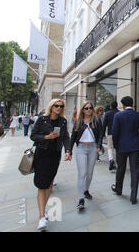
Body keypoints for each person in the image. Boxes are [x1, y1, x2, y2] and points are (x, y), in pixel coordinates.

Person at [30, 99, 71, 231]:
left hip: (55, 155)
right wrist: (46, 137)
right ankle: (42, 217)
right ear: (51, 106)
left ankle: (43, 211)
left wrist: (68, 151)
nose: (59, 108)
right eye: (56, 105)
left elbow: (65, 137)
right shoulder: (42, 119)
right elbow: (33, 136)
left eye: (61, 106)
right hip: (42, 154)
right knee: (42, 185)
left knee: (48, 185)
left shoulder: (63, 121)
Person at [111, 96, 139, 205]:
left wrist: (116, 145)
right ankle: (133, 196)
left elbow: (114, 132)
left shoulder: (118, 115)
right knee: (135, 170)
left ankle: (119, 189)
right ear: (132, 104)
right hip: (135, 146)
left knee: (120, 168)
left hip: (121, 146)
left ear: (123, 105)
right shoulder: (138, 115)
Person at [70, 102, 103, 211]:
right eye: (86, 108)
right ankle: (80, 199)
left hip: (93, 148)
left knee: (89, 173)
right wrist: (68, 151)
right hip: (81, 149)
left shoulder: (96, 121)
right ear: (83, 110)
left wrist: (99, 146)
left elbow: (100, 134)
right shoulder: (78, 122)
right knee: (82, 173)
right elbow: (73, 137)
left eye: (91, 108)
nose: (89, 110)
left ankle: (86, 190)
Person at [102, 101, 120, 172]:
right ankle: (117, 163)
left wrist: (103, 134)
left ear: (110, 106)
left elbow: (104, 125)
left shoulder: (107, 114)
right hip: (119, 134)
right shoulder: (120, 113)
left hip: (110, 133)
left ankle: (111, 159)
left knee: (110, 147)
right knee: (117, 148)